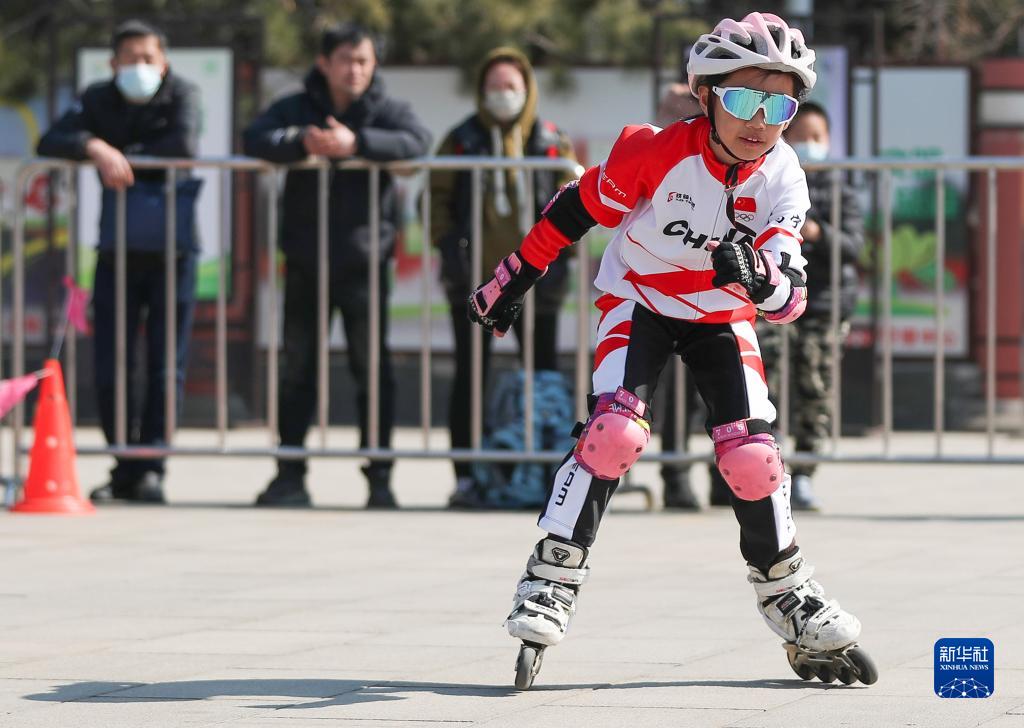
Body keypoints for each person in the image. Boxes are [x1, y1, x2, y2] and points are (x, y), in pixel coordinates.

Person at [469, 12, 875, 688]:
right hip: (640, 300)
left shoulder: (784, 176)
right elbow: (574, 208)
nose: (760, 121)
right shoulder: (654, 150)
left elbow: (790, 302)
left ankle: (788, 592)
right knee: (614, 432)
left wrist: (762, 279)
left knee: (753, 455)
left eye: (779, 106)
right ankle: (552, 573)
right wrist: (515, 275)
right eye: (743, 99)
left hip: (721, 315)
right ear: (706, 95)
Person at [243, 24, 432, 508]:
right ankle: (289, 475)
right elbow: (255, 138)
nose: (355, 70)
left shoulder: (385, 108)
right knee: (297, 369)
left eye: (363, 60)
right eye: (346, 59)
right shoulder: (298, 106)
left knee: (373, 371)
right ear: (324, 63)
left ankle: (379, 479)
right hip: (305, 260)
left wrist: (357, 143)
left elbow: (416, 141)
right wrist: (301, 142)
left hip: (364, 262)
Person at [38, 19, 200, 504]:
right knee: (112, 363)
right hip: (117, 250)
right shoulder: (98, 98)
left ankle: (152, 466)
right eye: (130, 58)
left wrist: (124, 155)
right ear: (113, 63)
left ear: (164, 62)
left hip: (173, 251)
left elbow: (184, 145)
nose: (140, 67)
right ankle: (123, 465)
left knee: (165, 365)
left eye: (148, 58)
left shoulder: (182, 94)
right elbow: (51, 140)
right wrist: (94, 146)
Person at [430, 47, 577, 508]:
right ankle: (467, 476)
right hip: (476, 281)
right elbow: (436, 200)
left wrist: (561, 262)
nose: (502, 95)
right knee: (470, 376)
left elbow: (575, 202)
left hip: (538, 280)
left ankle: (545, 473)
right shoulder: (460, 140)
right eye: (493, 87)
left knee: (542, 378)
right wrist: (450, 252)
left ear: (527, 90)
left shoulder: (551, 140)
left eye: (510, 86)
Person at [757, 101, 863, 510]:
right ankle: (765, 465)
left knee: (814, 388)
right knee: (763, 381)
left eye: (816, 137)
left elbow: (854, 246)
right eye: (799, 137)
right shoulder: (770, 181)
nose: (808, 145)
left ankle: (803, 474)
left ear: (830, 140)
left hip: (824, 305)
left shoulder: (841, 189)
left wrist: (817, 233)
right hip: (774, 300)